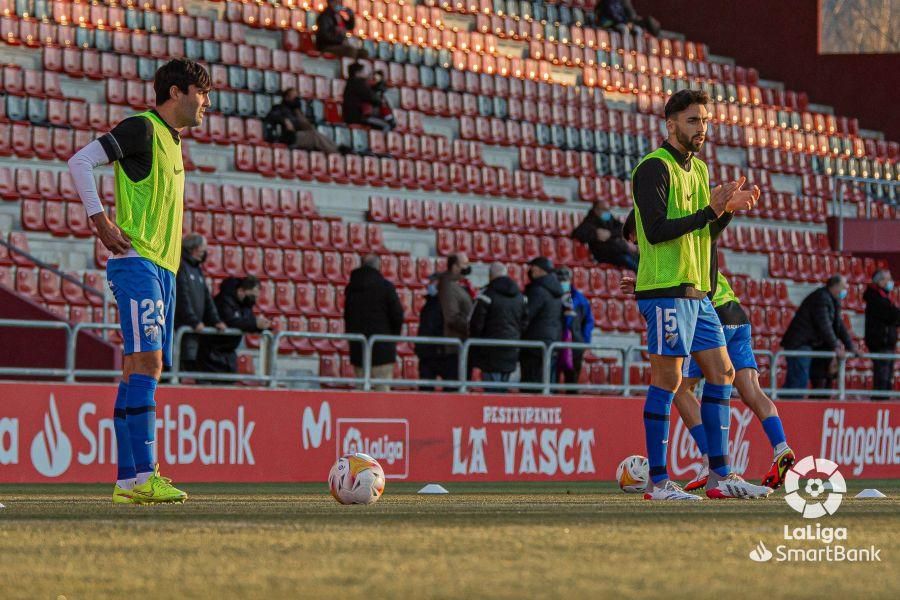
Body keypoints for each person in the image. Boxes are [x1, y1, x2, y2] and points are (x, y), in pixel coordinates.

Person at [67, 58, 211, 504]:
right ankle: (145, 474)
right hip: (137, 261)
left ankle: (129, 481)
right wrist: (100, 220)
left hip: (162, 267)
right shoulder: (142, 128)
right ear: (177, 92)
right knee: (149, 364)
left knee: (136, 368)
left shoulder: (172, 140)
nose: (206, 102)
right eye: (202, 93)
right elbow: (80, 162)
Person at [631, 89, 767, 500]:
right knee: (669, 380)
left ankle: (719, 476)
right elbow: (656, 231)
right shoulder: (653, 168)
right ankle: (657, 482)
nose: (701, 128)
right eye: (693, 120)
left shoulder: (700, 170)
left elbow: (704, 234)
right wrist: (709, 211)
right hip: (666, 289)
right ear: (670, 124)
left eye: (705, 120)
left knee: (722, 372)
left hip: (698, 292)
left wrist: (724, 212)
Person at [622, 212, 796, 490]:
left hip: (709, 313)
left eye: (635, 239)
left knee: (678, 387)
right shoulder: (694, 246)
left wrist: (645, 288)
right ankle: (781, 447)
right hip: (737, 315)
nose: (637, 245)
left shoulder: (669, 254)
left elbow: (683, 289)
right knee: (751, 390)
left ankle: (708, 458)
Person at [781, 275, 855, 397]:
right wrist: (836, 346)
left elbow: (839, 325)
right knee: (798, 381)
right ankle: (788, 406)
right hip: (799, 343)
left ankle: (781, 405)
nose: (846, 289)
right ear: (835, 286)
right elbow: (824, 325)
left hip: (807, 343)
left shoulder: (832, 300)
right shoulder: (821, 298)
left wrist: (851, 346)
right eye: (843, 287)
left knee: (796, 381)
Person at [343, 254, 404, 392]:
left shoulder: (351, 288)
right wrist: (392, 337)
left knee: (361, 390)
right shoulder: (386, 287)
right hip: (382, 347)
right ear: (378, 266)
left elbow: (347, 316)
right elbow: (397, 314)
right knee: (382, 391)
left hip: (359, 348)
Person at [469, 263, 527, 391]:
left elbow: (476, 324)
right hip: (511, 348)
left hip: (490, 350)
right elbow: (525, 322)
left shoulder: (486, 295)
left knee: (492, 391)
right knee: (503, 389)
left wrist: (477, 344)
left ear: (490, 276)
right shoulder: (520, 296)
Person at [174, 233, 226, 373]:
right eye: (203, 247)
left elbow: (207, 298)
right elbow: (182, 298)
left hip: (194, 331)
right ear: (195, 248)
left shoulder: (197, 269)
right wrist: (193, 321)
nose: (205, 251)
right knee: (178, 366)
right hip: (182, 328)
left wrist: (215, 320)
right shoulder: (181, 267)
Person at [204, 276, 271, 374]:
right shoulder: (223, 301)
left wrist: (262, 326)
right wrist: (255, 324)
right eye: (252, 296)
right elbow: (231, 321)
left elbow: (248, 322)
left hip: (229, 354)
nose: (254, 300)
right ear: (241, 291)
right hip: (212, 353)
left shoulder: (245, 305)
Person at [521, 257, 564, 385]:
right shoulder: (558, 291)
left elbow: (526, 314)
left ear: (541, 270)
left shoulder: (537, 290)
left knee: (532, 383)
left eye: (533, 268)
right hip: (552, 341)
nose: (530, 271)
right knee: (546, 383)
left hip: (534, 344)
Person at [436, 252, 474, 387]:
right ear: (454, 267)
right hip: (454, 348)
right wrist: (472, 327)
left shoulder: (456, 285)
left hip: (460, 346)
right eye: (465, 264)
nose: (468, 267)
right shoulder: (448, 286)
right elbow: (452, 317)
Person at [263, 88, 338, 153]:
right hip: (288, 137)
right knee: (314, 137)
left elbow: (307, 127)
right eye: (293, 96)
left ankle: (337, 149)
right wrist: (284, 120)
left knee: (317, 134)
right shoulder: (279, 108)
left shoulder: (296, 111)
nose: (296, 99)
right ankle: (335, 152)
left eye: (297, 97)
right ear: (286, 97)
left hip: (298, 135)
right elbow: (271, 116)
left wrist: (298, 111)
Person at [556, 267, 595, 392]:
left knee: (572, 381)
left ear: (570, 279)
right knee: (552, 380)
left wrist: (585, 342)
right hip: (556, 342)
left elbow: (588, 321)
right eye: (560, 279)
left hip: (575, 344)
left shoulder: (580, 299)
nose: (563, 281)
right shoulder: (552, 296)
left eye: (565, 279)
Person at [571, 200, 638, 271]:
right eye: (604, 209)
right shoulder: (589, 221)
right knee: (627, 260)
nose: (607, 212)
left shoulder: (610, 219)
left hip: (619, 251)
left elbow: (623, 228)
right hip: (604, 255)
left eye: (608, 209)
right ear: (596, 210)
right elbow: (576, 233)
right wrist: (595, 234)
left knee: (639, 258)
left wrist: (610, 233)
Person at [864, 270, 900, 394]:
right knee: (882, 379)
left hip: (887, 343)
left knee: (887, 378)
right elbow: (892, 315)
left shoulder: (884, 297)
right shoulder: (876, 299)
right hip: (881, 343)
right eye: (888, 279)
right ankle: (880, 400)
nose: (891, 282)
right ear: (879, 281)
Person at [415, 274, 448, 391]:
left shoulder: (444, 303)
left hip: (439, 353)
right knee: (425, 389)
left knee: (449, 389)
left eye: (432, 282)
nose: (429, 285)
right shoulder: (429, 303)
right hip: (427, 353)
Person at [343, 63, 393, 132]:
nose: (365, 74)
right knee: (387, 126)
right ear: (357, 73)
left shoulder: (350, 83)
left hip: (351, 116)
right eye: (363, 72)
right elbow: (374, 99)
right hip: (359, 117)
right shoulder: (359, 83)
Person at [594, 0, 660, 36]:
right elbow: (613, 14)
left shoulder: (619, 2)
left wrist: (628, 22)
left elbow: (623, 14)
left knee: (637, 30)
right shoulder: (609, 1)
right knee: (624, 29)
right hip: (606, 22)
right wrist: (625, 23)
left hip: (617, 23)